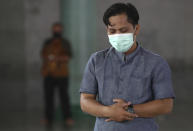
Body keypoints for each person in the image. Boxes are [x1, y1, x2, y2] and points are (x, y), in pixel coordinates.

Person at [80, 3, 175, 131]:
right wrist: (109, 111)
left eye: (123, 30)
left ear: (136, 29)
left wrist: (128, 110)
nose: (118, 35)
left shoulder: (155, 63)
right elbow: (85, 101)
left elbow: (165, 104)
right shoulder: (97, 61)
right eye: (112, 31)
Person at [41, 23, 73, 126]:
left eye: (59, 30)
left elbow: (68, 57)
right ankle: (48, 118)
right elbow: (43, 55)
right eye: (55, 29)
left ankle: (67, 117)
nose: (57, 31)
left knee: (64, 97)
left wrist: (55, 58)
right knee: (48, 97)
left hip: (62, 74)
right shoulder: (47, 42)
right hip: (49, 73)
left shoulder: (65, 42)